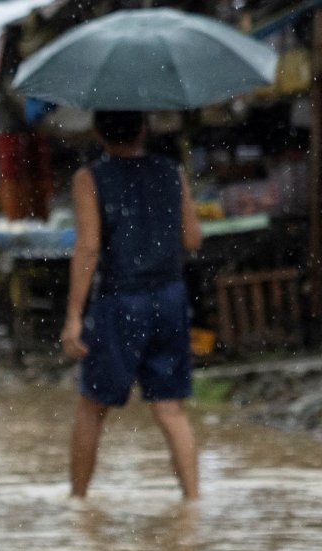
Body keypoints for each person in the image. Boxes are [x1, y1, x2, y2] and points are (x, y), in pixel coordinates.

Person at [62, 110, 202, 501]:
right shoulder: (171, 172)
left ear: (96, 132)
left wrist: (73, 316)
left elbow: (88, 247)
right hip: (170, 298)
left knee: (93, 407)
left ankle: (78, 505)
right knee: (170, 409)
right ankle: (192, 503)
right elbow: (192, 238)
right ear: (145, 128)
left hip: (120, 301)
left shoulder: (89, 178)